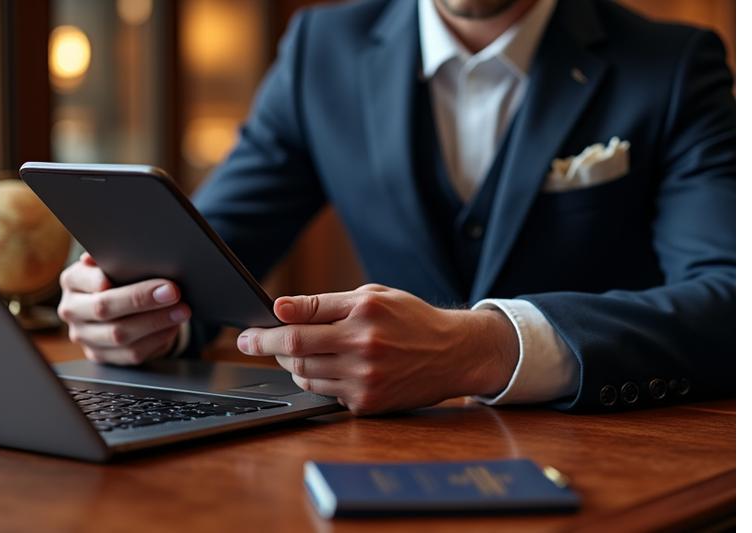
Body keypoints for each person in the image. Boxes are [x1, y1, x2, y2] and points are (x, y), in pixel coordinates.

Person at [57, 0, 735, 414]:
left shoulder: (672, 65)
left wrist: (485, 349)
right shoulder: (320, 51)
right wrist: (140, 312)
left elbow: (731, 300)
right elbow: (209, 255)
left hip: (615, 462)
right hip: (375, 464)